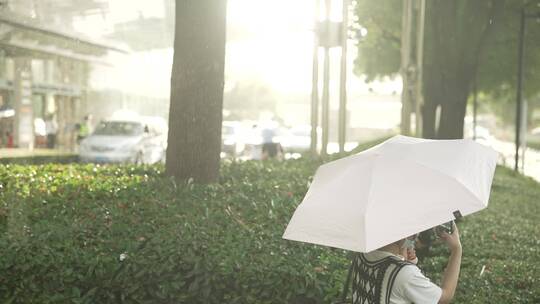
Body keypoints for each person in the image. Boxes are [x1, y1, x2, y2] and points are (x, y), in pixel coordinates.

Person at [351, 222, 462, 304]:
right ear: (403, 235)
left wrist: (403, 259)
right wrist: (457, 250)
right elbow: (444, 297)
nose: (414, 238)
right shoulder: (404, 273)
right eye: (413, 235)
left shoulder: (363, 253)